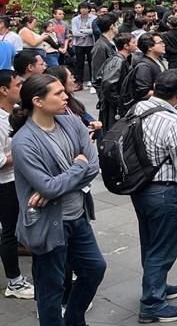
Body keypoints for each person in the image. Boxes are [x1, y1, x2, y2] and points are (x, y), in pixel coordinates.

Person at [10, 74, 106, 326]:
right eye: (58, 93)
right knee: (51, 287)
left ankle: (75, 319)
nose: (66, 96)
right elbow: (49, 186)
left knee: (94, 269)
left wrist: (58, 185)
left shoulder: (70, 122)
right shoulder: (24, 141)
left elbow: (93, 165)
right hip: (48, 224)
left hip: (77, 217)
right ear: (38, 101)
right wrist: (76, 168)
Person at [129, 70, 177, 323]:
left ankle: (156, 285)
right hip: (165, 190)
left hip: (140, 186)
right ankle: (152, 303)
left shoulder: (139, 108)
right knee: (163, 248)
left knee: (151, 242)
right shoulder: (173, 122)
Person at [0, 70, 34, 300]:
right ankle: (14, 281)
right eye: (17, 85)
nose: (22, 88)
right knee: (9, 231)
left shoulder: (13, 113)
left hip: (19, 179)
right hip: (5, 183)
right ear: (4, 90)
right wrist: (24, 152)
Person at [71, 3, 96, 89]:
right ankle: (79, 82)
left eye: (85, 8)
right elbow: (74, 32)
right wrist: (86, 33)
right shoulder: (75, 19)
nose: (83, 10)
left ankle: (93, 81)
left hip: (91, 43)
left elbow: (94, 30)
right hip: (79, 44)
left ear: (89, 9)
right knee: (79, 63)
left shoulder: (94, 18)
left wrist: (82, 31)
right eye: (82, 8)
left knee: (91, 63)